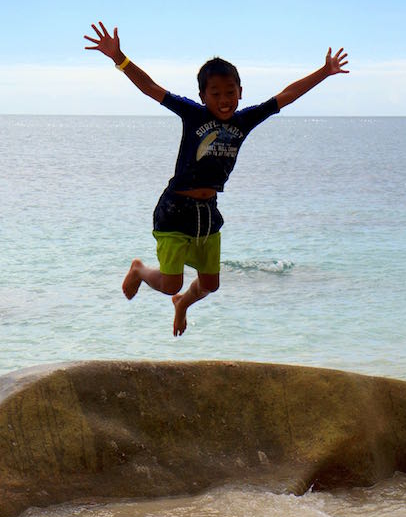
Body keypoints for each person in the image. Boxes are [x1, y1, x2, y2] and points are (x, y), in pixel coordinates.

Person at [84, 21, 349, 336]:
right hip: (175, 210)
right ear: (203, 96)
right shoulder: (194, 114)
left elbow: (287, 95)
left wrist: (324, 71)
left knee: (210, 284)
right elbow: (151, 88)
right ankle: (140, 271)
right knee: (171, 283)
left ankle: (183, 304)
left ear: (240, 92)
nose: (224, 99)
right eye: (215, 93)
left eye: (230, 92)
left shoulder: (245, 120)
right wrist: (120, 58)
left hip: (208, 212)